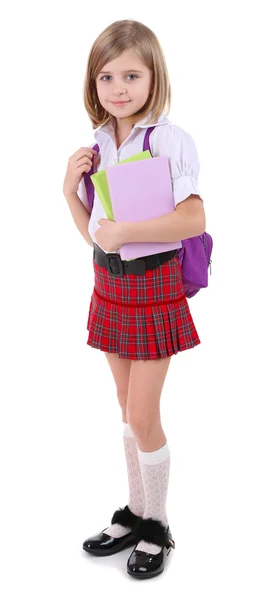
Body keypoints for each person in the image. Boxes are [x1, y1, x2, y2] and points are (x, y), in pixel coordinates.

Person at [63, 19, 206, 579]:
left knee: (144, 415)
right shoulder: (99, 144)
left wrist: (126, 234)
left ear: (154, 77)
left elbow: (194, 215)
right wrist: (68, 192)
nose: (118, 88)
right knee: (127, 410)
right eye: (106, 76)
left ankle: (158, 524)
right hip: (109, 284)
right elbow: (97, 234)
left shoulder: (169, 138)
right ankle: (135, 511)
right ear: (92, 84)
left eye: (131, 74)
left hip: (153, 286)